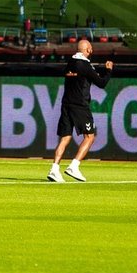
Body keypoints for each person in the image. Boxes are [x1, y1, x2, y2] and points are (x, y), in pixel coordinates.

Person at [48, 39, 114, 183]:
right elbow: (101, 83)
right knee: (90, 136)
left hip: (66, 103)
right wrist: (108, 70)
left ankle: (54, 169)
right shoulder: (85, 65)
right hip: (80, 105)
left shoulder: (70, 63)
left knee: (65, 137)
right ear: (88, 50)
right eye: (91, 49)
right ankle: (74, 166)